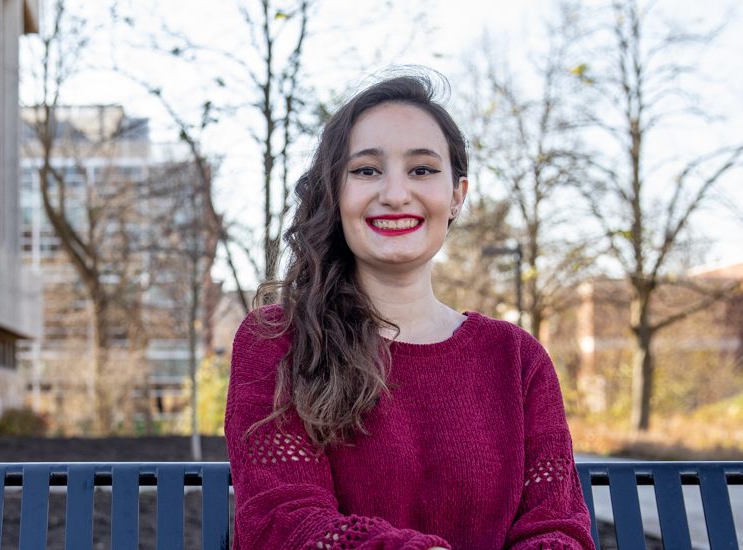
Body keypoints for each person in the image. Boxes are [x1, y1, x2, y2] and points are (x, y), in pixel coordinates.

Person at [225, 71, 594, 549]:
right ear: (335, 196)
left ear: (457, 195)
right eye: (366, 170)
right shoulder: (278, 339)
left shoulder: (517, 358)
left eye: (421, 169)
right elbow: (285, 522)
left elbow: (557, 526)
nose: (396, 194)